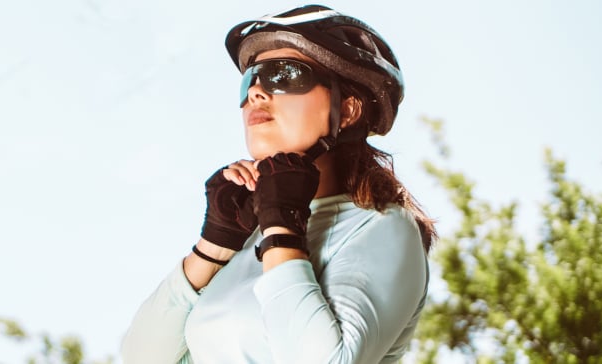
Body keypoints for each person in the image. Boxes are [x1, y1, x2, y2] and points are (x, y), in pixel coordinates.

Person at [120, 4, 437, 364]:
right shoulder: (251, 234)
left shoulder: (383, 227)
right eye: (250, 79)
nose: (256, 92)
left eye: (284, 75)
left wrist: (283, 229)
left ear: (347, 110)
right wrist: (215, 245)